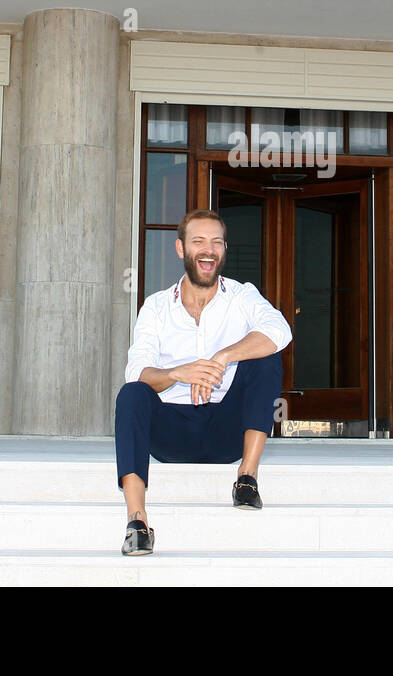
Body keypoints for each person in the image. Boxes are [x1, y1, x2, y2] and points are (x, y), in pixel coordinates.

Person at [114, 209, 292, 556]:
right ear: (181, 249)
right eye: (199, 241)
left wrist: (222, 357)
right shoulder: (156, 306)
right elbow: (136, 369)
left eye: (216, 242)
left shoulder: (242, 296)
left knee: (266, 357)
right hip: (172, 431)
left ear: (224, 250)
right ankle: (137, 521)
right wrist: (178, 373)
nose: (208, 250)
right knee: (132, 393)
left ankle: (247, 479)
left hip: (226, 430)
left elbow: (279, 330)